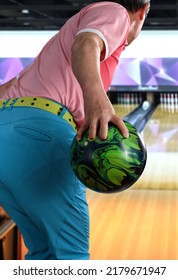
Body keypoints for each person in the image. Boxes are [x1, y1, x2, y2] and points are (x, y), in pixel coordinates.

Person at [0, 0, 150, 260]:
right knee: (71, 259)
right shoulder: (115, 11)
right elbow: (86, 44)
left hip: (6, 133)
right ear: (143, 10)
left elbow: (11, 87)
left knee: (44, 254)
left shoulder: (60, 42)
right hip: (40, 135)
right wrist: (98, 102)